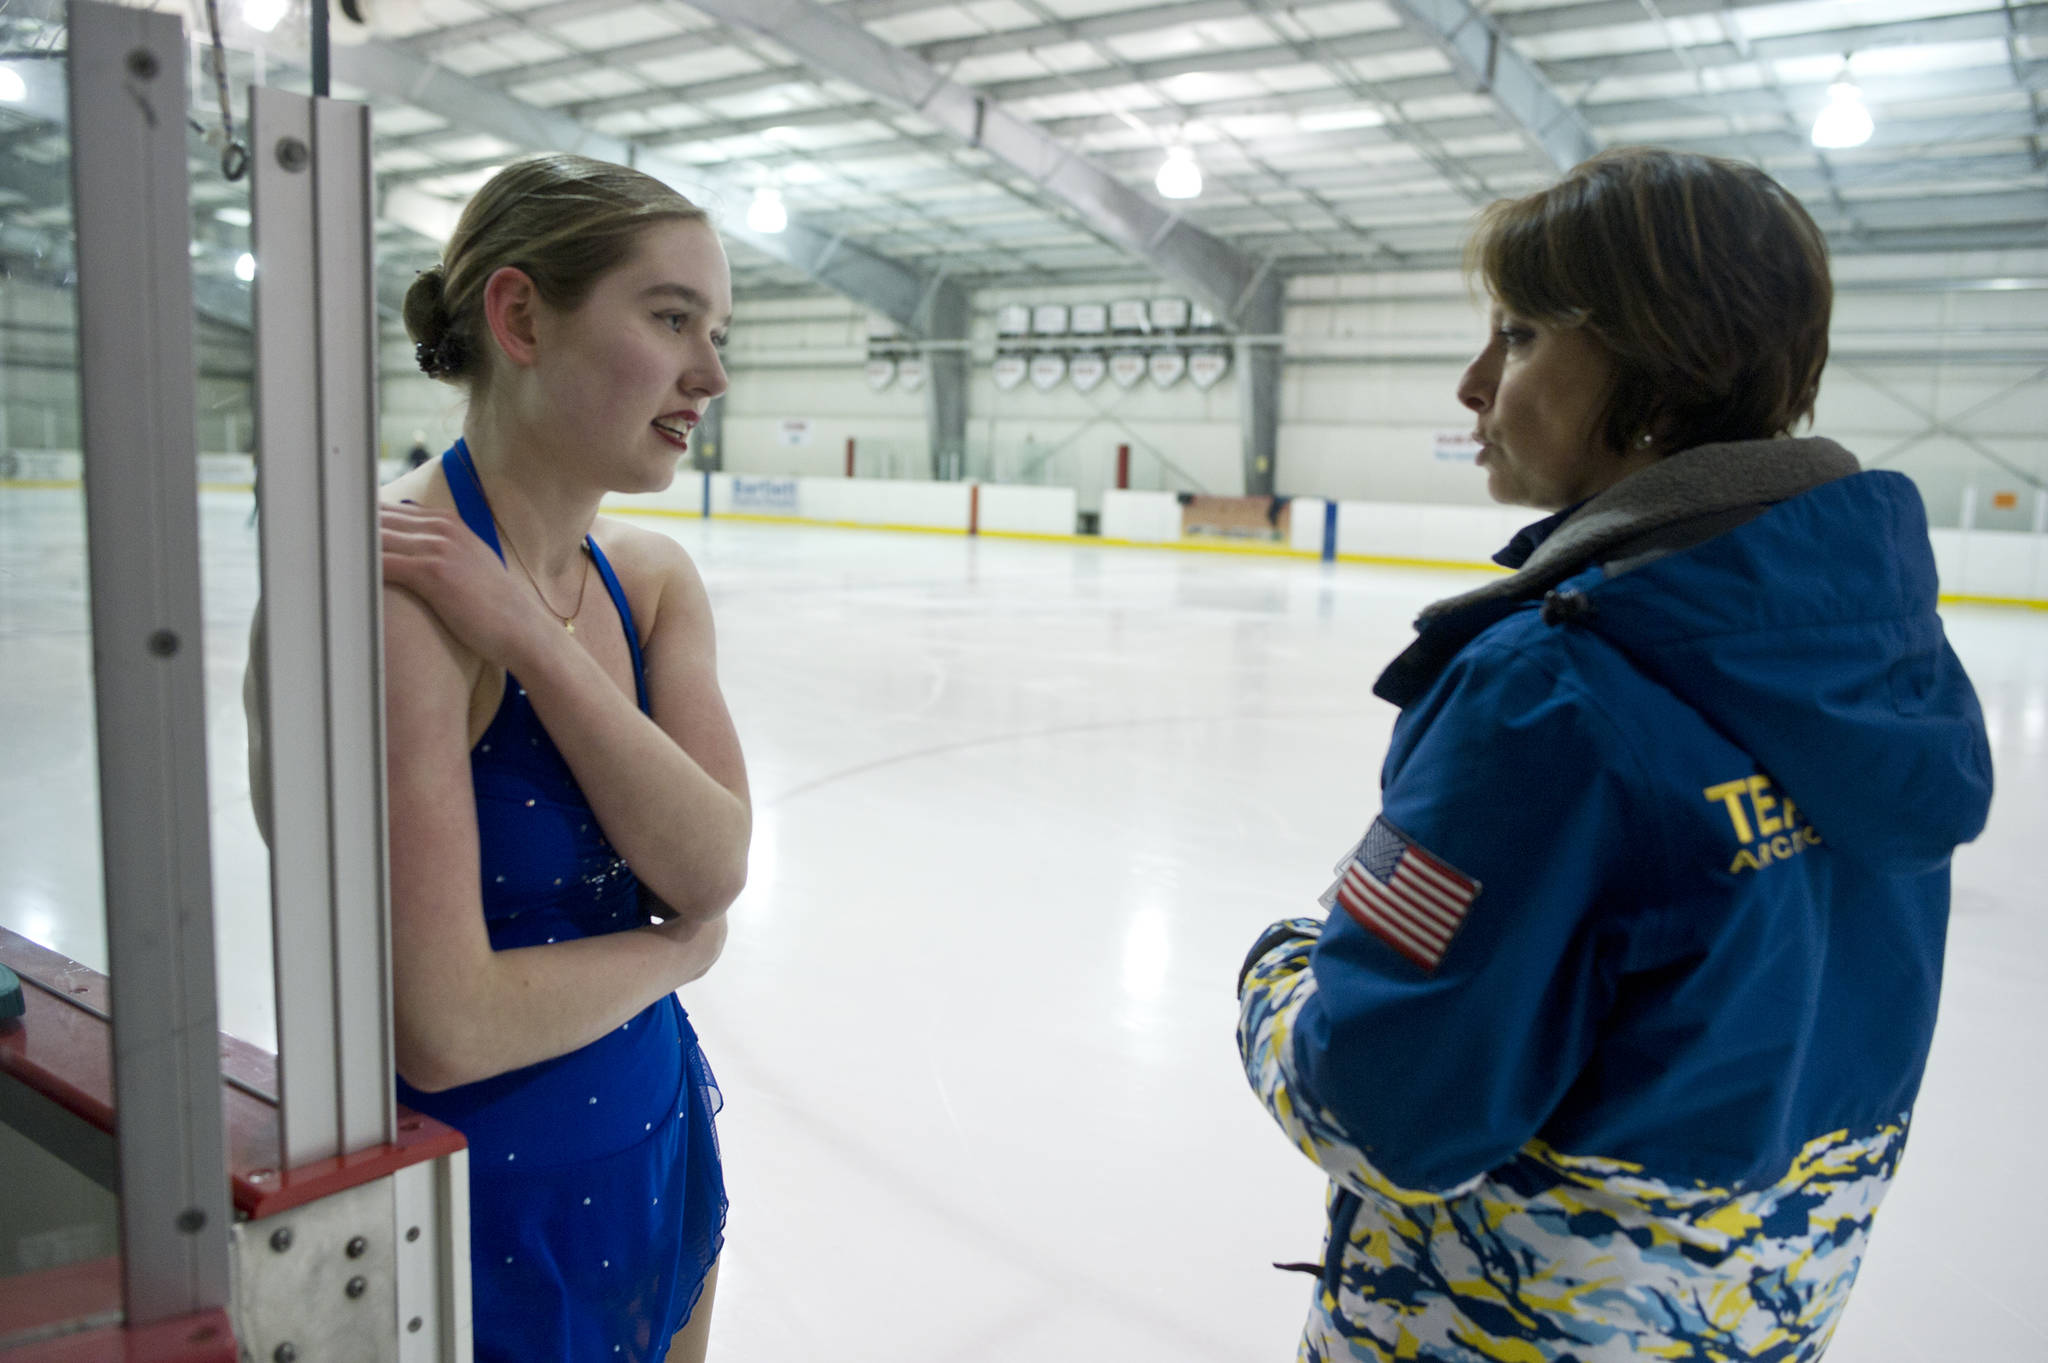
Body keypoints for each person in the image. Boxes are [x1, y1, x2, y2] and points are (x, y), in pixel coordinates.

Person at [1236, 147, 1993, 1362]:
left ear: (1654, 377)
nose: (1473, 382)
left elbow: (1387, 1111)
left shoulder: (1552, 694)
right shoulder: (1873, 655)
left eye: (1522, 336)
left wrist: (1279, 975)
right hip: (1757, 1314)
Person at [322, 153, 741, 1361]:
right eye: (670, 319)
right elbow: (443, 1023)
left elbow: (711, 864)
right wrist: (675, 956)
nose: (708, 375)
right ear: (518, 316)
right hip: (475, 1215)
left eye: (714, 331)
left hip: (659, 1148)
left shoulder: (650, 580)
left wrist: (529, 641)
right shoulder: (392, 602)